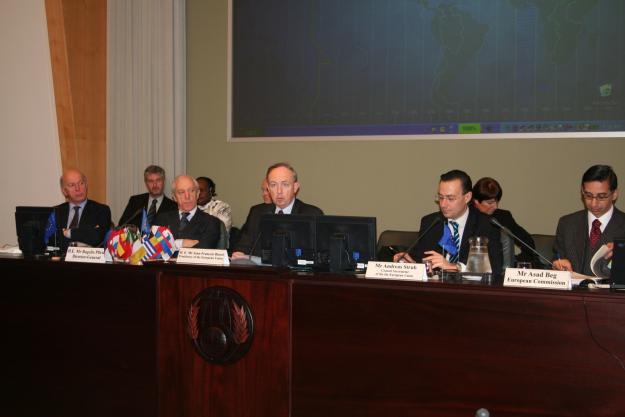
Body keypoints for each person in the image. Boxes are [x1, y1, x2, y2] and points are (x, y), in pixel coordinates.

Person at [393, 169, 503, 277]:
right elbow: (421, 260)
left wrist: (453, 267)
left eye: (450, 198)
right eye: (440, 198)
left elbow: (495, 268)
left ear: (467, 197)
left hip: (470, 291)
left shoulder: (486, 224)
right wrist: (411, 265)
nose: (443, 204)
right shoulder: (431, 222)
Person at [231, 162, 323, 258]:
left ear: (295, 187)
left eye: (285, 184)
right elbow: (243, 246)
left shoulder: (311, 214)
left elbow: (318, 255)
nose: (279, 191)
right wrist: (240, 253)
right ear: (268, 188)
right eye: (273, 185)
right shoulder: (257, 213)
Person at [554, 165, 625, 275]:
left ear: (615, 194)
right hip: (573, 291)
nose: (593, 203)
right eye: (588, 195)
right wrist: (558, 265)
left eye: (601, 197)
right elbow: (557, 258)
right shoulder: (567, 224)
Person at [472, 177, 536, 264]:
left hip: (501, 270)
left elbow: (527, 242)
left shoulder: (503, 216)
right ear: (476, 201)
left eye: (497, 201)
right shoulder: (467, 216)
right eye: (490, 203)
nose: (495, 206)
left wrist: (516, 261)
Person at [152, 175, 221, 250]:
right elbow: (153, 249)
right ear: (174, 197)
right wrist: (181, 243)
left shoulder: (211, 222)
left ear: (197, 194)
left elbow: (201, 252)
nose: (187, 196)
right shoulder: (162, 219)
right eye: (181, 192)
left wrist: (168, 245)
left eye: (191, 191)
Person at [54, 168, 111, 253]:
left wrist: (69, 233)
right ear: (64, 191)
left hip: (87, 263)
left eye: (81, 183)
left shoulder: (101, 210)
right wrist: (84, 233)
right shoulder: (56, 212)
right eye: (72, 185)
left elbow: (96, 237)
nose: (78, 188)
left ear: (86, 185)